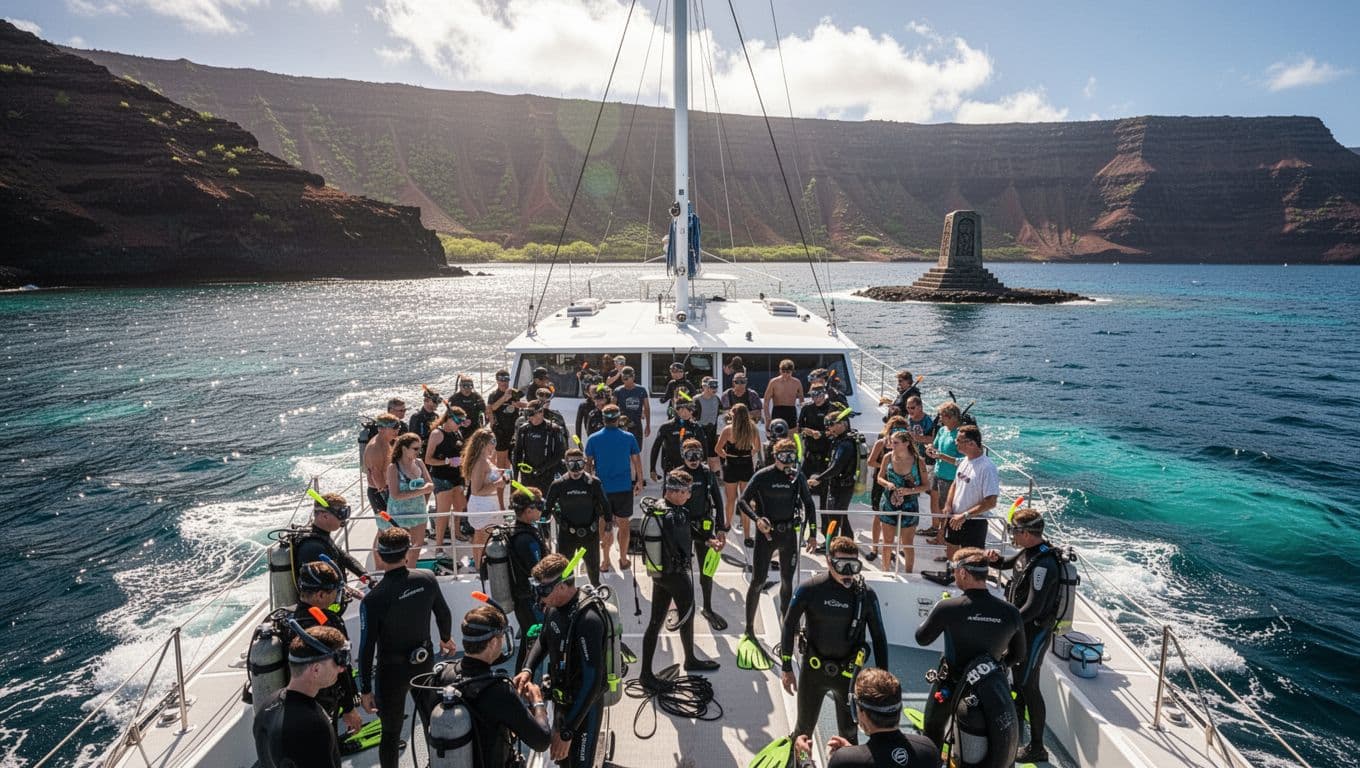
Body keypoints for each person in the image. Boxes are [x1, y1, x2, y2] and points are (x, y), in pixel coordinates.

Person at [358, 526, 456, 768]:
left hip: (390, 673)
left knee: (390, 734)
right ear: (407, 553)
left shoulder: (373, 599)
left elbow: (366, 648)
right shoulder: (426, 578)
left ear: (379, 555)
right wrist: (445, 638)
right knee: (432, 720)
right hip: (423, 664)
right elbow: (443, 613)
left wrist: (365, 689)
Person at [914, 548, 1024, 752]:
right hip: (990, 687)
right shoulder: (1011, 612)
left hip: (951, 685)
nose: (953, 574)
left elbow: (922, 639)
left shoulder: (948, 607)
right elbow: (1018, 654)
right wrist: (988, 669)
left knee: (933, 726)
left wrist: (937, 611)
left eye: (954, 570)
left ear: (963, 573)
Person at [780, 536, 889, 744]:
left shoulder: (866, 595)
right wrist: (786, 668)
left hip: (848, 676)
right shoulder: (810, 589)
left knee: (849, 734)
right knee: (802, 732)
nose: (848, 572)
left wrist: (884, 680)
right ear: (829, 561)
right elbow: (788, 625)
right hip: (813, 672)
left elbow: (879, 637)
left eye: (853, 566)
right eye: (842, 565)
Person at [428, 605, 552, 768]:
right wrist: (537, 701)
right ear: (493, 642)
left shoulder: (441, 676)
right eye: (501, 637)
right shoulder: (499, 690)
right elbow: (542, 741)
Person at [513, 554, 607, 768]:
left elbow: (593, 681)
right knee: (562, 762)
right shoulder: (553, 608)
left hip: (584, 708)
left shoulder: (588, 620)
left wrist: (567, 732)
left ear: (564, 586)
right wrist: (527, 669)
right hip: (562, 701)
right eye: (536, 589)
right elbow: (544, 639)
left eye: (544, 590)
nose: (540, 597)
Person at [986, 509, 1062, 764]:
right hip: (1019, 629)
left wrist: (1005, 623)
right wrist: (994, 560)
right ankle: (1016, 721)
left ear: (1027, 533)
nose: (1012, 535)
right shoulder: (1027, 553)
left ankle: (1038, 747)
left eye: (1015, 531)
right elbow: (1010, 565)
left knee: (1029, 686)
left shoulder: (1044, 564)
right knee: (1017, 678)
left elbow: (1033, 608)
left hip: (1034, 633)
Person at [637, 470, 722, 689]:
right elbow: (681, 539)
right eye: (686, 491)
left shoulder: (662, 510)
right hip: (675, 575)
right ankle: (690, 659)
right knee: (687, 614)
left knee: (655, 622)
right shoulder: (672, 516)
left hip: (660, 575)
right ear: (674, 492)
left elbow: (689, 531)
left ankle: (646, 673)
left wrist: (707, 539)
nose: (689, 495)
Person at [738, 439, 815, 643]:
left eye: (791, 456)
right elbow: (742, 501)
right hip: (767, 535)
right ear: (775, 456)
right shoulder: (763, 476)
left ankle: (788, 625)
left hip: (789, 535)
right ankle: (749, 628)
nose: (788, 461)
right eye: (784, 456)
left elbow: (809, 504)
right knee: (758, 581)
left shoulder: (797, 477)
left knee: (787, 582)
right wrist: (757, 519)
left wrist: (813, 533)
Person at [791, 668, 939, 768]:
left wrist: (804, 758)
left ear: (860, 713)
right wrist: (854, 752)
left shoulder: (845, 761)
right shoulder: (928, 749)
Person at [254, 625, 349, 768]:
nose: (342, 668)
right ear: (316, 669)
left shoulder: (268, 705)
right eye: (339, 661)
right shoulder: (313, 726)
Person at [291, 561, 361, 737]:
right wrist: (349, 708)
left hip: (294, 702)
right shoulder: (329, 624)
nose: (338, 596)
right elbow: (341, 669)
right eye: (334, 592)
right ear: (320, 595)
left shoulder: (287, 618)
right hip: (323, 701)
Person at [585, 404, 643, 573]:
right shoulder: (628, 437)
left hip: (601, 488)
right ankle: (623, 559)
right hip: (624, 488)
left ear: (603, 419)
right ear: (618, 419)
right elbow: (636, 461)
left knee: (603, 523)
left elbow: (588, 465)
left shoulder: (593, 438)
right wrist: (639, 480)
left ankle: (605, 561)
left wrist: (588, 485)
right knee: (624, 525)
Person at [678, 439, 727, 629]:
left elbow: (718, 499)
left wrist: (721, 528)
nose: (693, 460)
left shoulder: (706, 473)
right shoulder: (677, 474)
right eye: (689, 456)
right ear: (683, 455)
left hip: (704, 529)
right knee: (680, 572)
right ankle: (684, 607)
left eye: (697, 456)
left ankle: (707, 607)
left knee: (707, 571)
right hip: (682, 528)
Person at [545, 448, 611, 587]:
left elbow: (605, 504)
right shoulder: (559, 484)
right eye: (572, 464)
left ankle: (595, 596)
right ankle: (568, 598)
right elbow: (547, 508)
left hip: (590, 534)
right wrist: (543, 529)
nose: (576, 469)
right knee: (565, 572)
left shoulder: (594, 483)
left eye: (579, 464)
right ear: (566, 464)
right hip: (567, 534)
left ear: (585, 463)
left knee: (593, 571)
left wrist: (608, 525)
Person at [505, 488, 549, 672]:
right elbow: (539, 572)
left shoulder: (516, 531)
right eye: (539, 506)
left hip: (523, 599)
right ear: (529, 510)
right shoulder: (526, 540)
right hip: (531, 602)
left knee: (528, 641)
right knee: (535, 643)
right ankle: (526, 682)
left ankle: (521, 680)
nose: (541, 510)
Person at [939, 424, 997, 558]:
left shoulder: (987, 468)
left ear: (971, 443)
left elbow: (991, 502)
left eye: (958, 441)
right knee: (951, 554)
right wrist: (948, 505)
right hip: (955, 517)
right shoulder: (965, 460)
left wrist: (965, 515)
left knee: (970, 561)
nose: (955, 444)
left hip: (973, 522)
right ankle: (952, 576)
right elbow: (955, 483)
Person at [876, 428, 929, 572]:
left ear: (906, 444)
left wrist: (908, 491)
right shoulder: (888, 457)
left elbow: (926, 485)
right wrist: (888, 484)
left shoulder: (918, 461)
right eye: (892, 442)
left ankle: (909, 573)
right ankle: (885, 571)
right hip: (888, 502)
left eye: (895, 442)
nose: (891, 445)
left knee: (907, 543)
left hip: (910, 504)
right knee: (887, 542)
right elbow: (879, 478)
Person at [807, 407, 860, 552]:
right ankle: (848, 544)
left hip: (842, 486)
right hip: (840, 485)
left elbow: (836, 467)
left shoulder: (845, 444)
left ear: (842, 424)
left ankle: (831, 546)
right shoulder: (840, 440)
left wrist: (819, 479)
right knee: (841, 515)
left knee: (834, 517)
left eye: (831, 425)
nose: (828, 429)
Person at [291, 492, 368, 586]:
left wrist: (363, 573)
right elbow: (322, 585)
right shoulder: (313, 548)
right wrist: (348, 590)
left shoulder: (321, 536)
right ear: (325, 516)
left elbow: (342, 556)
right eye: (342, 514)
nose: (344, 519)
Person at [462, 428, 511, 566]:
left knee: (489, 536)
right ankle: (478, 567)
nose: (495, 444)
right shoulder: (480, 462)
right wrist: (499, 483)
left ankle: (483, 565)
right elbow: (476, 490)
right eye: (493, 441)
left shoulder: (487, 459)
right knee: (481, 537)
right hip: (481, 504)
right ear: (483, 443)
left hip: (490, 502)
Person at [384, 433, 434, 568]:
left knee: (417, 546)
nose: (419, 452)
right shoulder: (393, 468)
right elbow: (395, 495)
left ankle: (411, 572)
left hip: (418, 510)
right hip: (400, 514)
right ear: (404, 449)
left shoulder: (419, 463)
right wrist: (421, 491)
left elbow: (431, 484)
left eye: (420, 448)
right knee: (401, 549)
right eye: (415, 448)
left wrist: (425, 488)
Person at [424, 406, 468, 558]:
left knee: (460, 505)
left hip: (458, 476)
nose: (460, 424)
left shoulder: (457, 432)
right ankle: (439, 545)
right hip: (442, 477)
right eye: (458, 421)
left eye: (462, 422)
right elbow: (428, 459)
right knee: (443, 512)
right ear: (448, 418)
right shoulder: (437, 434)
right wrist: (447, 461)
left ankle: (457, 532)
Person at [717, 402, 762, 548]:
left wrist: (727, 455)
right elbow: (757, 448)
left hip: (731, 465)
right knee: (745, 501)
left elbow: (717, 449)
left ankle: (727, 524)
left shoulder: (728, 430)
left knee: (731, 500)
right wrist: (748, 454)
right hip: (747, 466)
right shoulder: (752, 428)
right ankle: (748, 535)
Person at [865, 417, 908, 563]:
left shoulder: (907, 447)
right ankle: (874, 548)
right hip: (881, 484)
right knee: (878, 516)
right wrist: (886, 467)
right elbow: (871, 462)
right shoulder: (881, 443)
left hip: (899, 485)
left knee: (896, 518)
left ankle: (891, 549)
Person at [922, 402, 963, 545]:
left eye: (943, 417)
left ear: (953, 417)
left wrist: (941, 456)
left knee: (947, 510)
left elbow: (964, 460)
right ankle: (939, 534)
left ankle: (945, 539)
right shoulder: (942, 430)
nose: (940, 420)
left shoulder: (960, 434)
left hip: (951, 478)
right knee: (938, 506)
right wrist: (930, 450)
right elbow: (935, 445)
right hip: (938, 473)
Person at [512, 399, 566, 499]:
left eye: (531, 413)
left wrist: (543, 468)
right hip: (528, 474)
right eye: (527, 413)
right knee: (528, 504)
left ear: (541, 412)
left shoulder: (553, 429)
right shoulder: (524, 429)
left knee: (544, 504)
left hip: (547, 474)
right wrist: (514, 478)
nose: (529, 417)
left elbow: (560, 454)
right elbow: (517, 453)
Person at [797, 384, 839, 509]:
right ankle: (800, 514)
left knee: (825, 490)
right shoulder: (807, 408)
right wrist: (810, 432)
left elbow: (835, 430)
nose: (816, 399)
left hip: (826, 454)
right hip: (810, 454)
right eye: (813, 396)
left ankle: (825, 521)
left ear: (824, 394)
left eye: (818, 395)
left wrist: (820, 434)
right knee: (801, 485)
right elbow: (800, 427)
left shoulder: (831, 408)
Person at [485, 370, 524, 505]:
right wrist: (504, 399)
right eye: (501, 380)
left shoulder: (514, 392)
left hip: (514, 433)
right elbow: (490, 409)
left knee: (515, 468)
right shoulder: (493, 395)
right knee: (501, 468)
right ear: (497, 381)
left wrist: (518, 404)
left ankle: (513, 500)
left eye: (506, 380)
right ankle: (501, 503)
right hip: (501, 433)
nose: (504, 383)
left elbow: (525, 403)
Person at [649, 399, 705, 479]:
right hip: (671, 468)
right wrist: (652, 469)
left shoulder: (696, 427)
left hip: (691, 467)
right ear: (677, 410)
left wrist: (704, 466)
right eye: (682, 409)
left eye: (689, 410)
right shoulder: (666, 427)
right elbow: (656, 448)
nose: (686, 412)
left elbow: (704, 448)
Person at [363, 413, 401, 514]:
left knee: (390, 527)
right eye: (394, 427)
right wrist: (388, 496)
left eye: (398, 427)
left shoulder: (385, 442)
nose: (397, 430)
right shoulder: (375, 447)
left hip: (387, 489)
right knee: (386, 525)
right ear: (382, 429)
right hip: (379, 493)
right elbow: (376, 475)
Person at [612, 366, 651, 443]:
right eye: (623, 378)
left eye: (627, 378)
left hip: (636, 424)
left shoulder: (641, 390)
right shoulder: (618, 390)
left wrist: (648, 425)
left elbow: (647, 408)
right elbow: (612, 408)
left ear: (633, 377)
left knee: (636, 449)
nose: (625, 380)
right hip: (622, 424)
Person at [764, 358, 805, 426]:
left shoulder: (797, 382)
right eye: (783, 371)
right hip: (778, 411)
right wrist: (767, 418)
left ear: (792, 371)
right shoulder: (774, 382)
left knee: (793, 435)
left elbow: (802, 401)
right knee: (777, 435)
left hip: (791, 412)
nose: (785, 374)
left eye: (788, 372)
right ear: (780, 370)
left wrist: (803, 417)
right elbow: (766, 401)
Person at [694, 377, 723, 471]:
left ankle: (713, 476)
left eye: (715, 387)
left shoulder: (717, 399)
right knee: (700, 454)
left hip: (712, 431)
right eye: (711, 387)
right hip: (699, 431)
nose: (714, 390)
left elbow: (721, 412)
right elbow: (692, 416)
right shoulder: (696, 399)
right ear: (704, 387)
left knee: (713, 454)